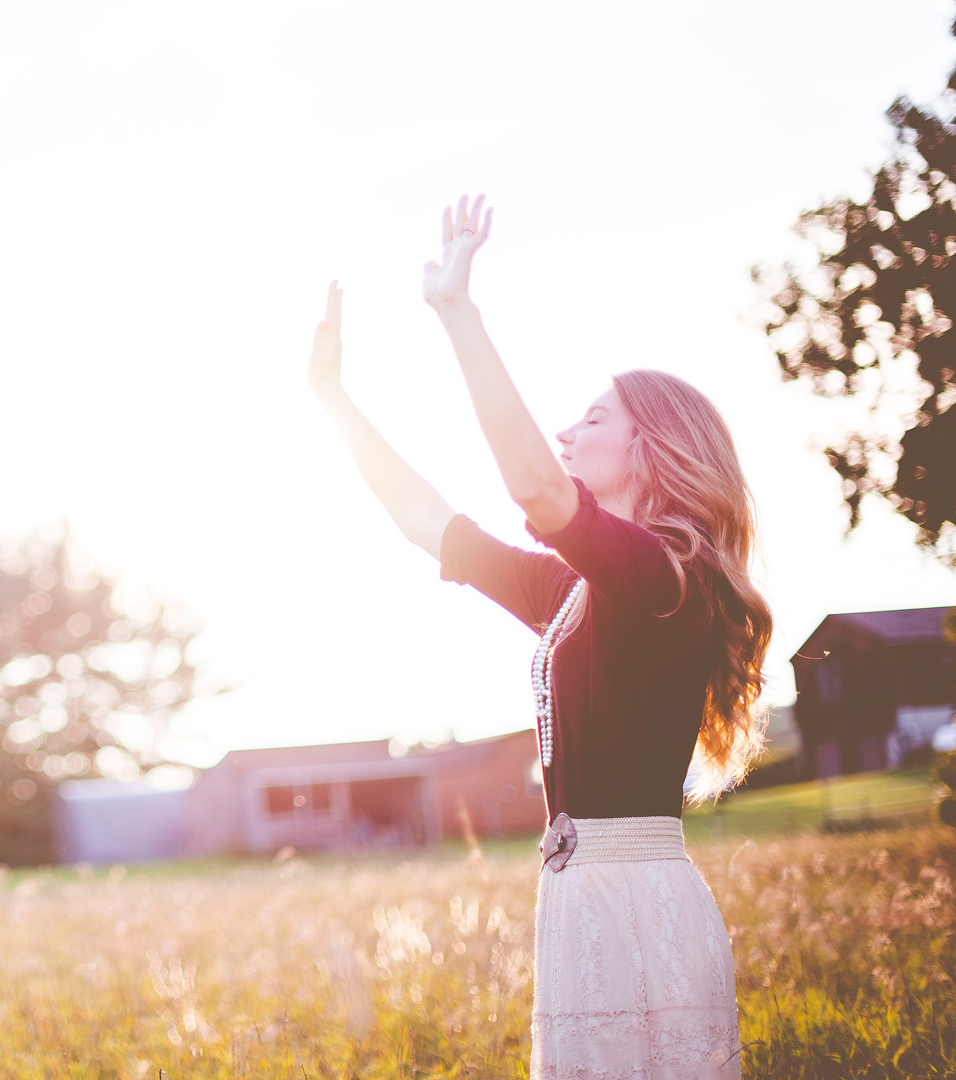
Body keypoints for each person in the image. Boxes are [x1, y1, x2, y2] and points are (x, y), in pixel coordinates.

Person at [307, 196, 771, 1078]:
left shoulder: (669, 581)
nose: (566, 432)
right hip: (580, 905)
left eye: (594, 419)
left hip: (639, 904)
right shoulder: (580, 590)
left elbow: (534, 489)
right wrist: (332, 398)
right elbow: (426, 520)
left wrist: (458, 312)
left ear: (655, 448)